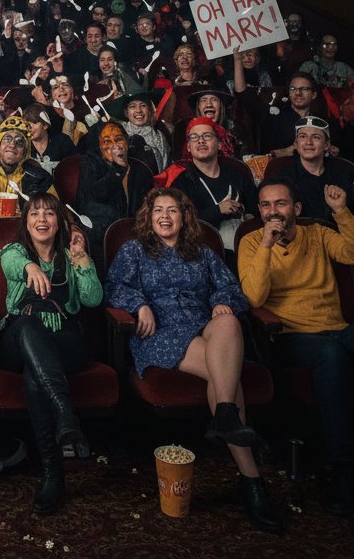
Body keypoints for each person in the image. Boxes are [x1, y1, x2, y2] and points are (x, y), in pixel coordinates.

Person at [106, 187, 283, 533]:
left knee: (229, 320)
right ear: (149, 215)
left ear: (184, 216)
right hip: (161, 333)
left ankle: (226, 418)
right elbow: (115, 287)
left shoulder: (201, 252)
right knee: (226, 379)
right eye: (159, 210)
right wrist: (139, 304)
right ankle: (251, 479)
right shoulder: (135, 250)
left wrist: (221, 301)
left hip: (204, 327)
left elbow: (232, 289)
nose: (165, 217)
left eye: (173, 211)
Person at [238, 179, 354, 516]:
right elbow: (254, 298)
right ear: (259, 211)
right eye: (266, 205)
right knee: (330, 354)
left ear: (296, 210)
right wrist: (267, 247)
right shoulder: (252, 241)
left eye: (281, 204)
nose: (273, 212)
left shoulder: (317, 233)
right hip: (290, 337)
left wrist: (342, 212)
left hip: (339, 331)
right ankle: (343, 469)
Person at [0, 193, 102, 513]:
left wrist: (82, 259)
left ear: (59, 224)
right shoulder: (15, 251)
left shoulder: (72, 255)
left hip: (62, 338)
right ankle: (65, 413)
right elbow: (9, 263)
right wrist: (31, 266)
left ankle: (53, 474)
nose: (42, 219)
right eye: (34, 214)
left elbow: (93, 299)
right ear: (26, 223)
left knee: (35, 373)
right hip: (17, 336)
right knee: (29, 328)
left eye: (49, 215)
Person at [164, 117, 258, 248]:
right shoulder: (180, 183)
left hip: (244, 248)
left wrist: (248, 217)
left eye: (207, 136)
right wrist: (218, 210)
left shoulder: (237, 175)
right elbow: (179, 223)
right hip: (200, 251)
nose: (201, 141)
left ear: (219, 144)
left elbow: (256, 211)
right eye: (194, 137)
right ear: (189, 147)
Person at [76, 122, 155, 273]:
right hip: (102, 241)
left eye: (118, 139)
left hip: (138, 239)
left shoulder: (140, 169)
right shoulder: (90, 163)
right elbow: (97, 194)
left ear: (126, 142)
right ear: (100, 146)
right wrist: (118, 170)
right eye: (106, 141)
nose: (113, 145)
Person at [273, 116, 354, 226]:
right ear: (296, 144)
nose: (308, 142)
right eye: (303, 137)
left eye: (316, 137)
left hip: (340, 238)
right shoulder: (283, 179)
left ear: (327, 145)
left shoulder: (343, 171)